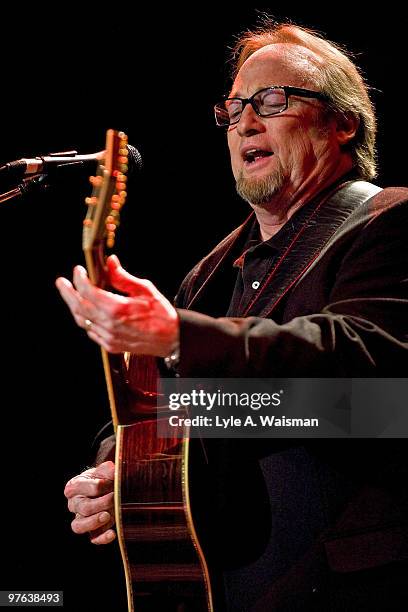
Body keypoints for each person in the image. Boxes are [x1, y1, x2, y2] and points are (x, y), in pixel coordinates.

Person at [58, 20, 408, 611]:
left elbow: (368, 387)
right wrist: (117, 469)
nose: (246, 121)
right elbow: (165, 406)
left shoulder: (389, 222)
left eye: (274, 101)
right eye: (234, 108)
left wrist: (178, 336)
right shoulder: (210, 274)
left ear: (343, 122)